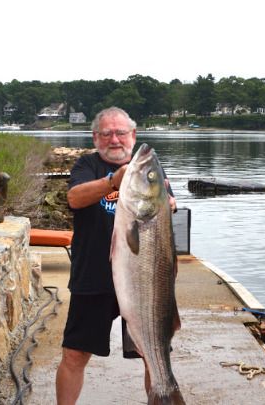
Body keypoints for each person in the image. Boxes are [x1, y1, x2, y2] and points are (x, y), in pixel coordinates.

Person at [56, 106, 176, 405]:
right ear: (95, 137)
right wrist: (113, 181)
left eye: (121, 132)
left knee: (153, 353)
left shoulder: (148, 169)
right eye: (107, 133)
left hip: (144, 283)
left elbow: (166, 205)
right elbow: (74, 198)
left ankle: (164, 393)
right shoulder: (86, 165)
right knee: (75, 354)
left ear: (132, 135)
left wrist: (168, 204)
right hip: (92, 278)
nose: (115, 139)